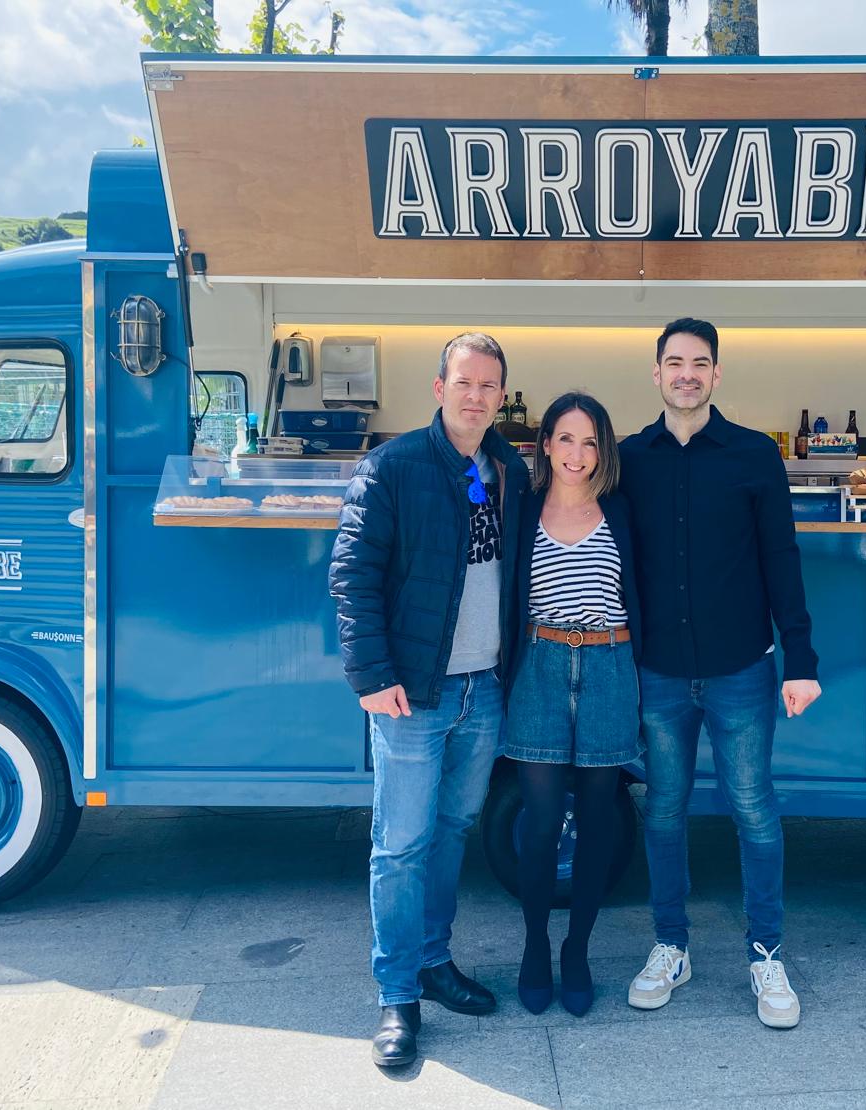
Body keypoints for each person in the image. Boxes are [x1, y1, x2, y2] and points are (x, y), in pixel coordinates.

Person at [329, 332, 530, 1069]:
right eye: (465, 382)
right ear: (439, 386)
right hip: (415, 694)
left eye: (490, 387)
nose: (477, 396)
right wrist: (372, 676)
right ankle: (396, 996)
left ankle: (435, 964)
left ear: (501, 397)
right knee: (401, 844)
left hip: (485, 689)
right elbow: (351, 577)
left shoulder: (508, 468)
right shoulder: (392, 467)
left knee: (451, 832)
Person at [619, 317, 822, 1030]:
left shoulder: (752, 454)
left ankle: (766, 952)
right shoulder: (629, 458)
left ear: (716, 374)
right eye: (674, 362)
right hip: (660, 675)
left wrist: (801, 657)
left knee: (753, 810)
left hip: (742, 669)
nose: (686, 374)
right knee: (664, 811)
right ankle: (670, 946)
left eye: (699, 363)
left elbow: (781, 558)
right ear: (656, 373)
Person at [504, 391, 642, 1019]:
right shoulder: (521, 506)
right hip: (541, 664)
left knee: (598, 819)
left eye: (590, 441)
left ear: (602, 449)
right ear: (546, 444)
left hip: (610, 665)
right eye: (566, 439)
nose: (578, 454)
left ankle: (577, 951)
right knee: (538, 823)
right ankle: (536, 946)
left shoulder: (621, 508)